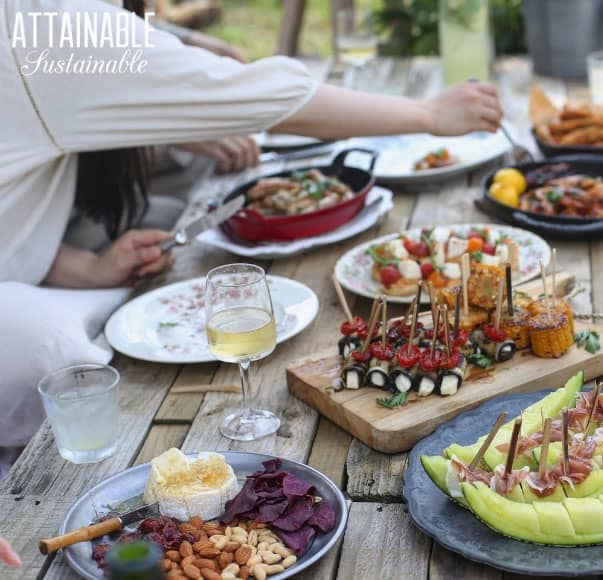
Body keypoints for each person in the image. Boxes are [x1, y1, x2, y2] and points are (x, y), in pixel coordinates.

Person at [0, 0, 502, 468]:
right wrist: (428, 115)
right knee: (48, 344)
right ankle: (49, 477)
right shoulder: (53, 24)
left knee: (171, 205)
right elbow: (258, 97)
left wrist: (75, 265)